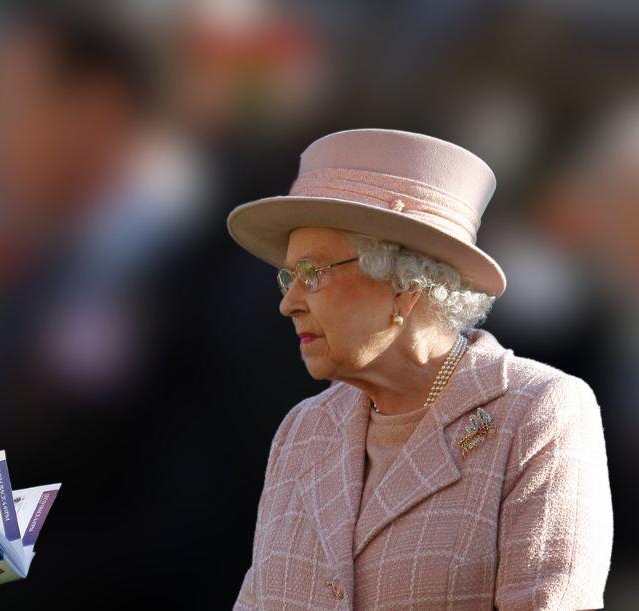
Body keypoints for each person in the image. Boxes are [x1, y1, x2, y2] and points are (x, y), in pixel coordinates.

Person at [226, 129, 612, 608]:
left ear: (406, 285)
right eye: (288, 277)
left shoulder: (537, 413)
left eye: (312, 274)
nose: (289, 303)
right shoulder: (303, 431)